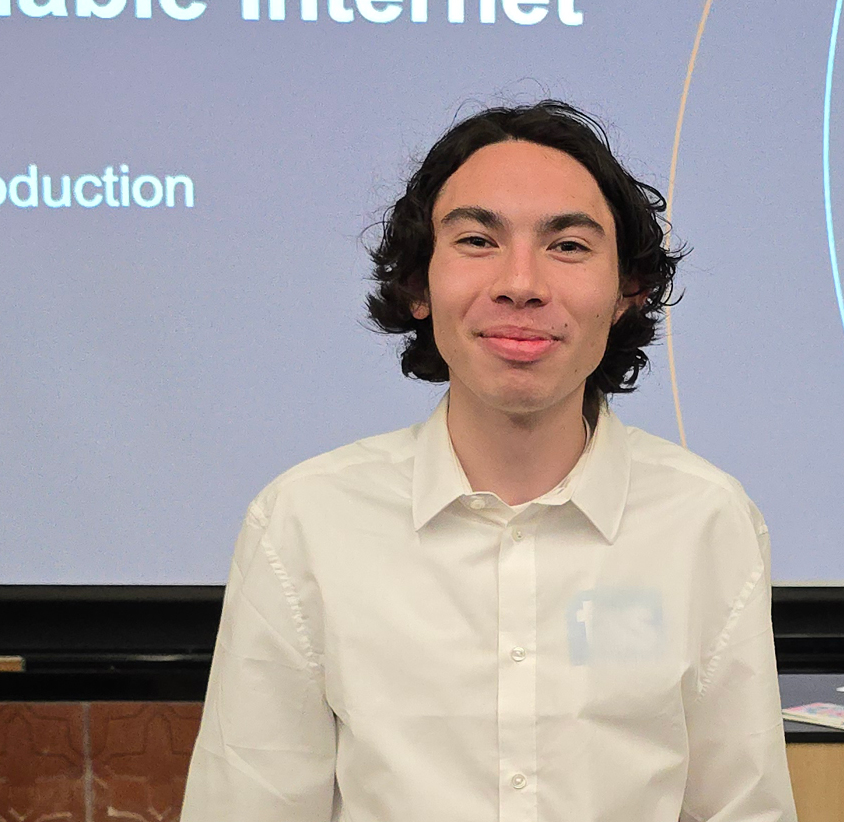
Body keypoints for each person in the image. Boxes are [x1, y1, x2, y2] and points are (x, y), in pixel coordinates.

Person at [181, 100, 797, 821]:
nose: (521, 283)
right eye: (477, 239)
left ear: (629, 290)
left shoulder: (706, 520)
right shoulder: (304, 521)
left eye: (567, 246)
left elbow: (742, 809)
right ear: (418, 284)